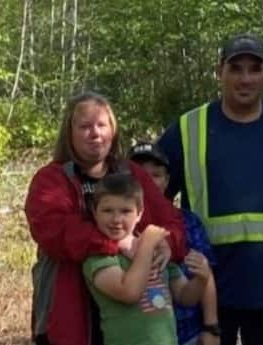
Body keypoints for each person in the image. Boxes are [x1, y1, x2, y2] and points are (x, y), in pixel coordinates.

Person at [157, 33, 263, 345]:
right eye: (236, 68)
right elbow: (154, 198)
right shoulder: (188, 128)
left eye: (254, 69)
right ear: (219, 72)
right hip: (207, 287)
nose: (245, 78)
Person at [25, 91, 186, 345]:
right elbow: (56, 232)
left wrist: (169, 243)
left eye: (101, 125)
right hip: (69, 312)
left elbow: (170, 219)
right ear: (70, 132)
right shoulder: (51, 179)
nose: (95, 133)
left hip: (133, 322)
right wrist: (122, 244)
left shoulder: (131, 173)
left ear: (113, 130)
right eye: (85, 126)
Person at [83, 173, 211, 345]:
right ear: (94, 212)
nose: (116, 219)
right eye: (107, 210)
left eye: (126, 211)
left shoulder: (157, 250)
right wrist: (147, 244)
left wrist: (202, 278)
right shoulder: (99, 255)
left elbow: (184, 296)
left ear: (139, 213)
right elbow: (129, 292)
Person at [128, 142, 219, 345]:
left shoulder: (187, 222)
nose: (147, 181)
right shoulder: (117, 224)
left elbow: (204, 273)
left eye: (156, 175)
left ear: (167, 180)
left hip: (187, 334)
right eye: (140, 174)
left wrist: (211, 328)